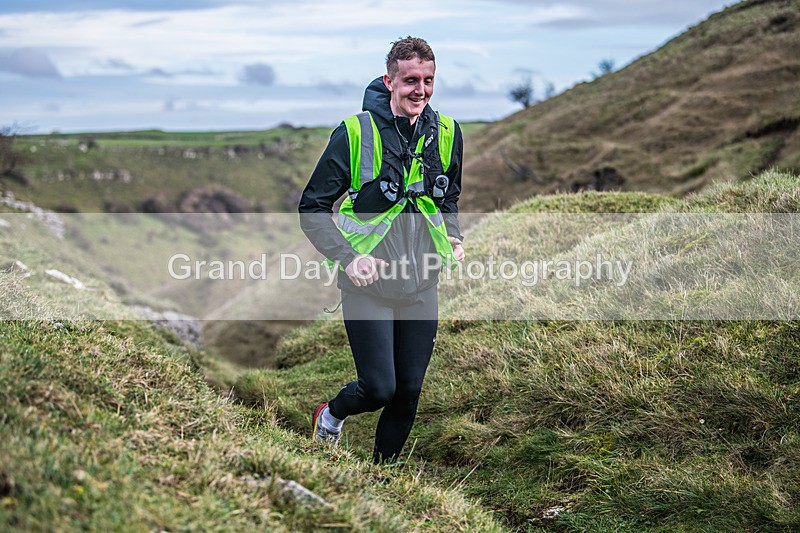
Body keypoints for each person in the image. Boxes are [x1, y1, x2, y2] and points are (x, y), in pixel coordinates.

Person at [298, 36, 465, 464]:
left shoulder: (447, 132)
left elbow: (448, 198)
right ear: (390, 80)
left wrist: (453, 235)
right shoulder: (354, 133)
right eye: (411, 81)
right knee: (379, 388)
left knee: (408, 392)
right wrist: (349, 259)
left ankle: (382, 477)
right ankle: (331, 415)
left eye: (429, 81)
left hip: (421, 282)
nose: (421, 91)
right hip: (367, 284)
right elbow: (313, 208)